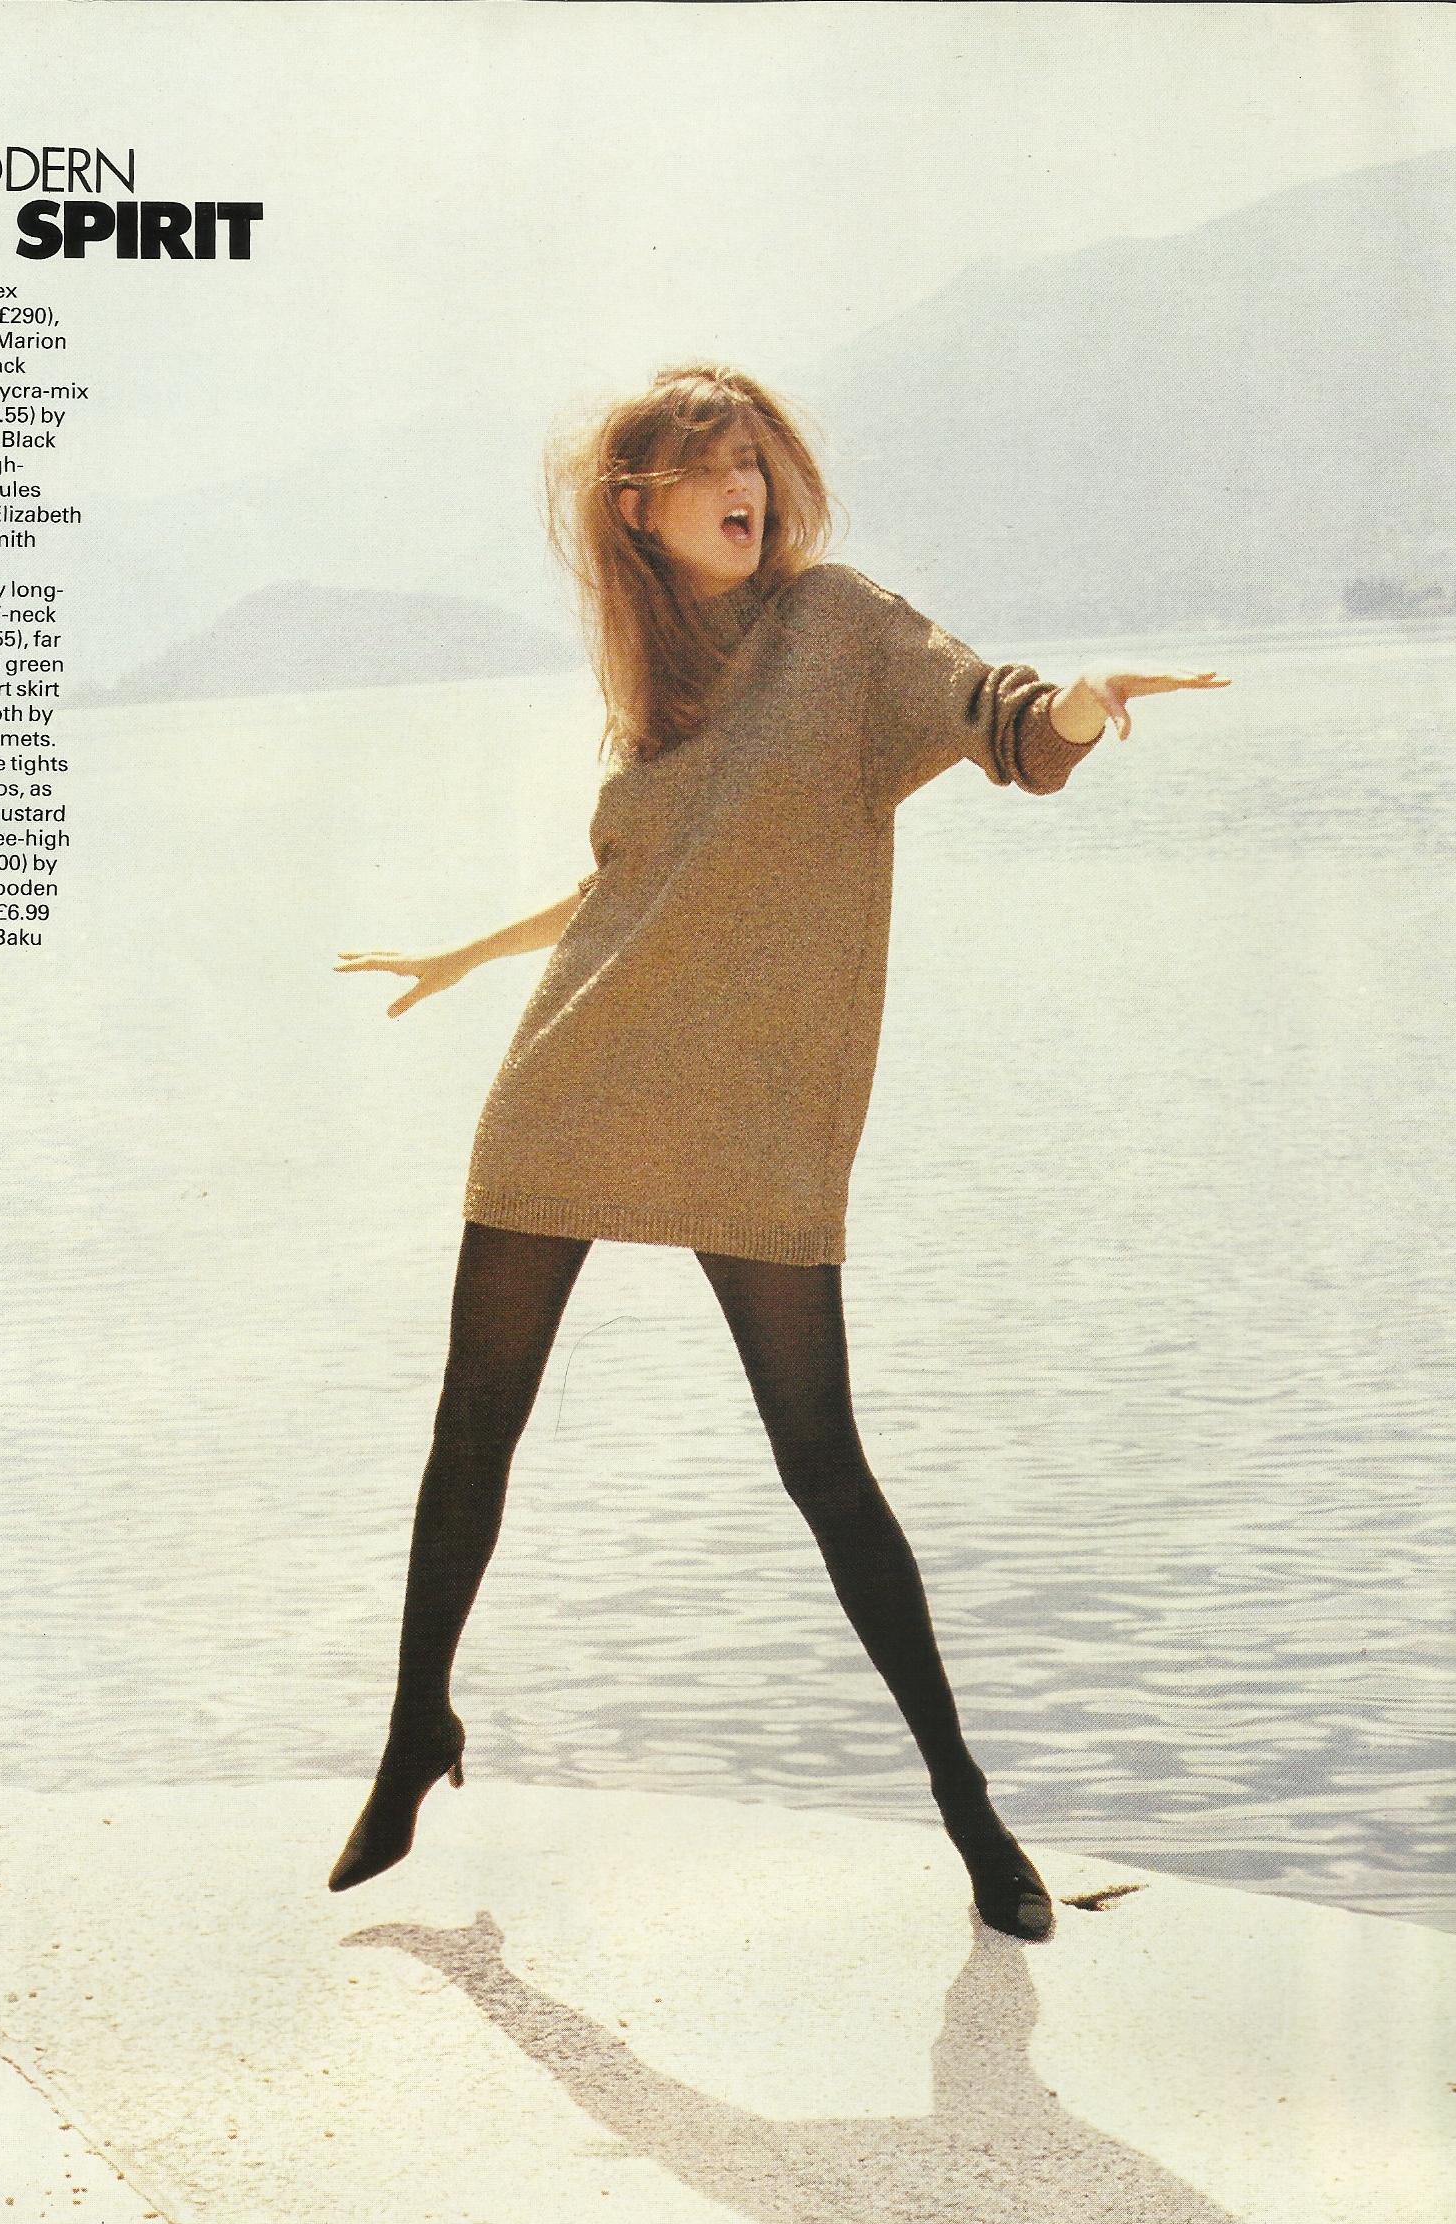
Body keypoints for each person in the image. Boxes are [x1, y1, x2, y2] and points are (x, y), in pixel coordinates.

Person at [328, 361, 1229, 1939]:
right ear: (638, 507)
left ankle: (970, 1806)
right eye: (709, 464)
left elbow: (999, 718)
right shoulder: (655, 681)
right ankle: (416, 1726)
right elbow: (641, 884)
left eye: (755, 457)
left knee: (823, 1462)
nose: (745, 483)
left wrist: (1082, 705)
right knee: (475, 1419)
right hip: (575, 1080)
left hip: (756, 1113)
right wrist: (467, 955)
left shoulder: (842, 629)